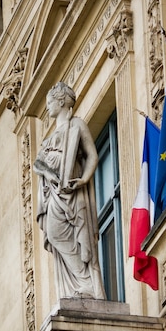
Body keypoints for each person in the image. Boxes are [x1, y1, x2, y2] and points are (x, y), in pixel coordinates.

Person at [33, 81, 106, 300]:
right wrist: (46, 172)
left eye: (50, 102)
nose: (48, 108)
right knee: (54, 233)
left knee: (77, 237)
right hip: (54, 192)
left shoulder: (77, 125)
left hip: (73, 192)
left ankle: (87, 284)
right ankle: (78, 284)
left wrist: (84, 179)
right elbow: (39, 164)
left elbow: (92, 155)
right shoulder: (49, 138)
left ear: (61, 101)